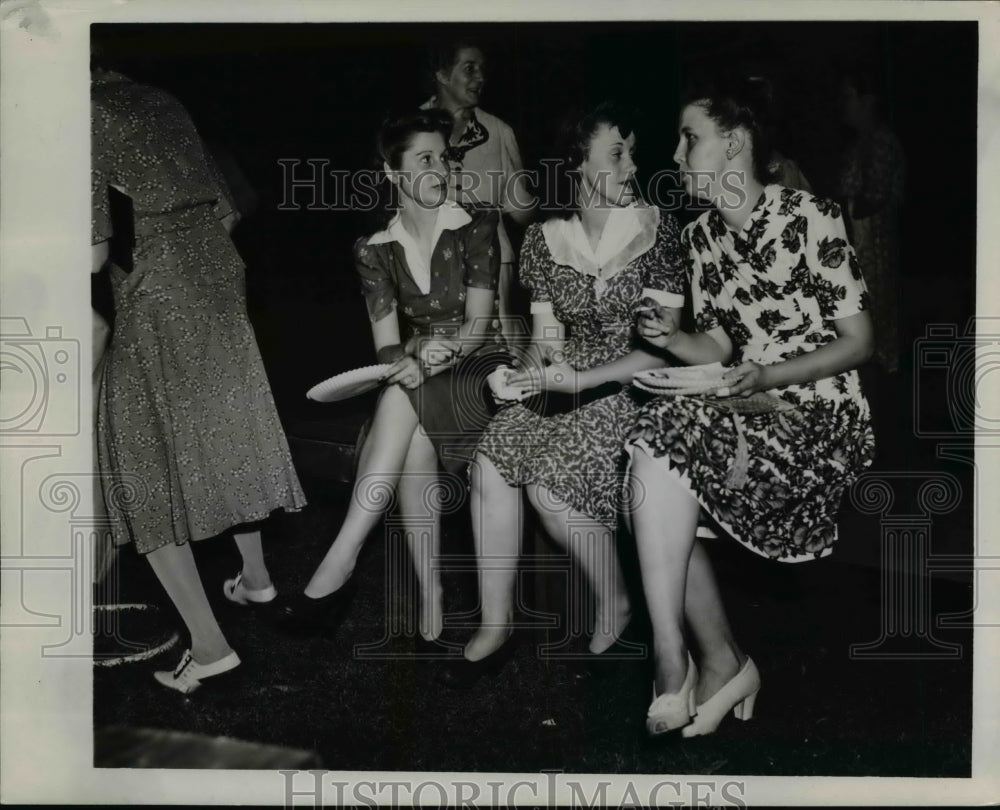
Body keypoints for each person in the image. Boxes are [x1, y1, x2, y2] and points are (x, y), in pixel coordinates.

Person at [625, 74, 875, 737]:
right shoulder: (700, 237)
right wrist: (671, 338)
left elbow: (859, 342)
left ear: (734, 142)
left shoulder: (810, 216)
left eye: (689, 139)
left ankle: (685, 659)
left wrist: (765, 372)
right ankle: (693, 656)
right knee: (654, 456)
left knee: (661, 444)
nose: (676, 158)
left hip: (820, 417)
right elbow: (717, 345)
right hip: (748, 406)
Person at [436, 101, 688, 687]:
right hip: (565, 377)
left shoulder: (658, 232)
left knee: (551, 490)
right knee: (493, 456)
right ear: (578, 163)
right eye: (617, 154)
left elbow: (658, 350)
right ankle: (495, 622)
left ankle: (617, 598)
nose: (631, 167)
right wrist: (521, 373)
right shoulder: (546, 241)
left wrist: (575, 379)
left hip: (633, 387)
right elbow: (548, 342)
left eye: (631, 154)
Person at [91, 68, 306, 694]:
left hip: (157, 293)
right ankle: (258, 581)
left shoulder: (78, 115)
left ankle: (210, 649)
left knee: (140, 465)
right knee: (225, 433)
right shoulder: (158, 97)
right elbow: (229, 208)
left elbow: (92, 252)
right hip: (215, 276)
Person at [278, 110, 508, 646]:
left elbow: (478, 327)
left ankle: (341, 563)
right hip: (420, 372)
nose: (441, 169)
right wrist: (413, 352)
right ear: (392, 172)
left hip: (480, 366)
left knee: (403, 396)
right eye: (424, 159)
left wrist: (429, 354)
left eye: (444, 158)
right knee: (411, 429)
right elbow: (384, 342)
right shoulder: (374, 248)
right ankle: (427, 592)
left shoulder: (477, 226)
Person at [422, 40, 536, 345]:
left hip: (494, 265)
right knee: (435, 356)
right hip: (430, 262)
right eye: (469, 68)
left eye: (482, 69)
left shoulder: (499, 131)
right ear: (442, 75)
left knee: (501, 357)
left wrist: (553, 204)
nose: (480, 78)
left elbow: (521, 209)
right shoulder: (412, 128)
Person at [838, 64, 905, 373]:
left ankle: (883, 366)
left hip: (875, 243)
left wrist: (846, 222)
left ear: (868, 100)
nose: (844, 105)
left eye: (849, 97)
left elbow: (874, 197)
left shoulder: (881, 141)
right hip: (859, 239)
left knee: (877, 303)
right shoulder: (857, 142)